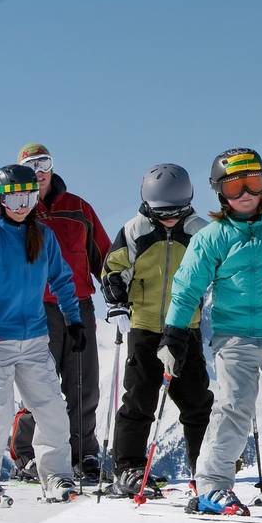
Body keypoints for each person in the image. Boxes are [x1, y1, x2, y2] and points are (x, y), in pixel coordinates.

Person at [160, 148, 262, 516]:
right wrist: (173, 332)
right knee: (234, 406)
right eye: (235, 187)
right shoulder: (213, 237)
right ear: (220, 193)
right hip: (234, 335)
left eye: (252, 183)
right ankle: (213, 487)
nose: (245, 194)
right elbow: (187, 286)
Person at [0, 164, 83, 505]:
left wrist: (74, 319)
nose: (22, 204)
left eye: (28, 196)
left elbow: (62, 279)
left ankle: (57, 477)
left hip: (36, 339)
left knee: (52, 410)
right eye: (13, 198)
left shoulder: (44, 236)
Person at [100, 164, 213, 498]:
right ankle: (129, 468)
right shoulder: (134, 231)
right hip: (144, 327)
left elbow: (217, 269)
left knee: (196, 401)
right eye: (161, 213)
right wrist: (117, 299)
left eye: (176, 212)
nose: (169, 220)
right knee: (139, 400)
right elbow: (112, 269)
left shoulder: (199, 231)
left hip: (186, 329)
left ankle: (204, 468)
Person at [8, 143, 111, 484]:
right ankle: (27, 454)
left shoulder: (78, 209)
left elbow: (103, 255)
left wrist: (115, 287)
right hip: (36, 307)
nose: (38, 170)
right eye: (30, 164)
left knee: (84, 382)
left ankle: (84, 454)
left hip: (79, 305)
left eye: (44, 162)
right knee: (40, 385)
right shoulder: (17, 211)